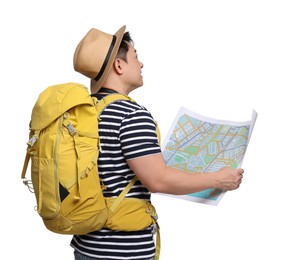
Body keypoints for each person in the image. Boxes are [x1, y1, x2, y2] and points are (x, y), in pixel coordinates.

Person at [71, 25, 244, 260]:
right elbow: (158, 180)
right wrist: (218, 178)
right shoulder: (130, 114)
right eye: (136, 57)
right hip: (124, 251)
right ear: (118, 66)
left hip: (86, 247)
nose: (141, 64)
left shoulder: (81, 114)